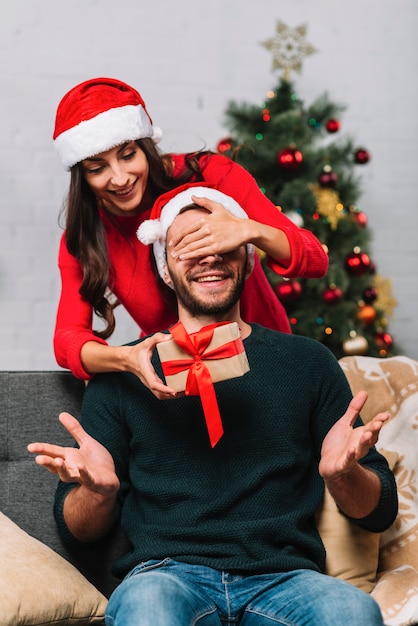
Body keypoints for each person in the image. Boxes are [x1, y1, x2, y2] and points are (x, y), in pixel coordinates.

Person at [29, 185, 397, 626]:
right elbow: (78, 534)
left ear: (248, 256)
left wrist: (344, 475)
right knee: (148, 610)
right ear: (166, 269)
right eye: (188, 246)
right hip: (166, 576)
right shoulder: (126, 371)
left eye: (222, 241)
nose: (209, 257)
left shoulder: (308, 362)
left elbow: (378, 512)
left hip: (283, 580)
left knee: (353, 612)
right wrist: (97, 492)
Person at [52, 76, 329, 390]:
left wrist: (247, 230)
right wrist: (128, 359)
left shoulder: (210, 175)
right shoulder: (86, 238)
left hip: (268, 366)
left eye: (128, 155)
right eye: (97, 168)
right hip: (184, 384)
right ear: (81, 176)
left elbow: (315, 259)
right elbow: (67, 341)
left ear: (145, 146)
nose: (120, 178)